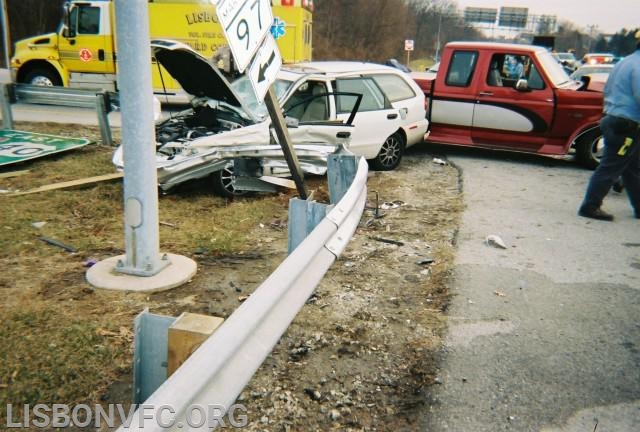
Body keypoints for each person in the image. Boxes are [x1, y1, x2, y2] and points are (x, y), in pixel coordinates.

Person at [578, 31, 640, 221]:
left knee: (633, 167)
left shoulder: (625, 62)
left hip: (614, 118)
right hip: (627, 124)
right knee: (610, 167)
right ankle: (590, 206)